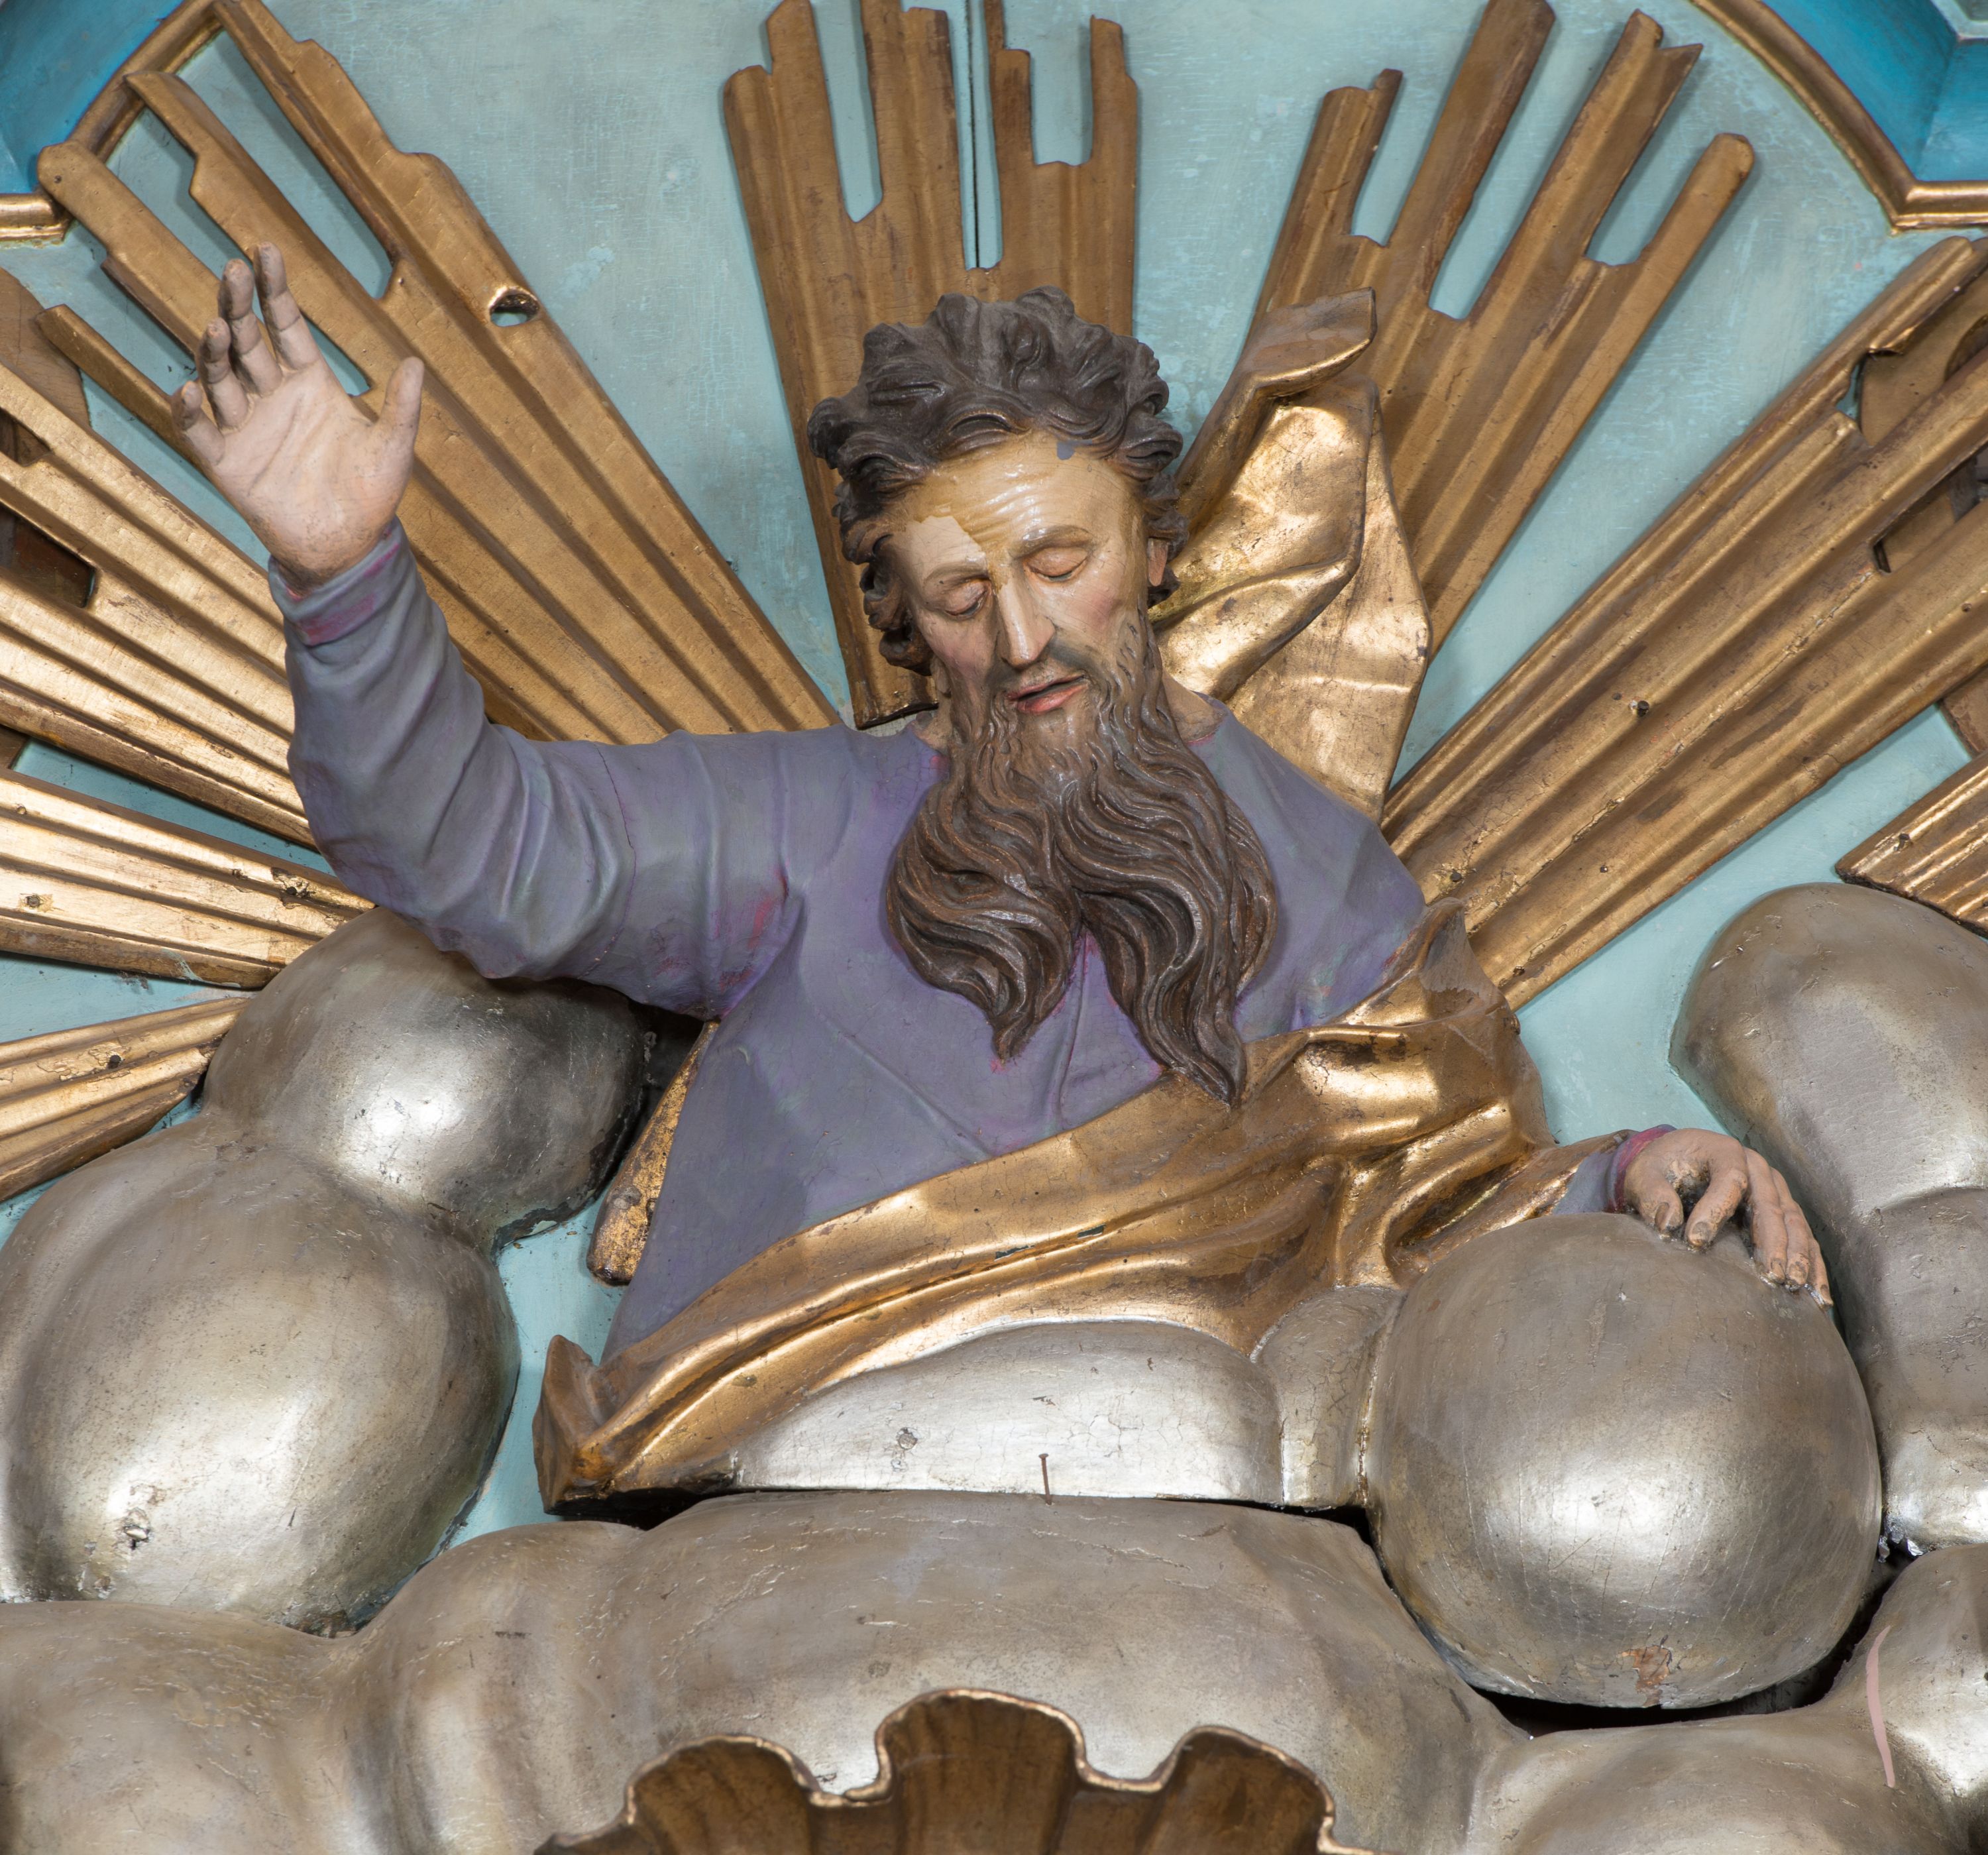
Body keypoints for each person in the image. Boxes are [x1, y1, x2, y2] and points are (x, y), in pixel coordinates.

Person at [171, 247, 1827, 1377]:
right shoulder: (799, 825)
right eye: (962, 595)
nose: (1024, 636)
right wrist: (342, 576)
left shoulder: (1324, 888)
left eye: (1061, 562)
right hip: (791, 1481)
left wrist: (1630, 1177)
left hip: (1191, 1512)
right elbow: (474, 845)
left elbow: (1439, 1197)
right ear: (901, 614)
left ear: (1156, 551)